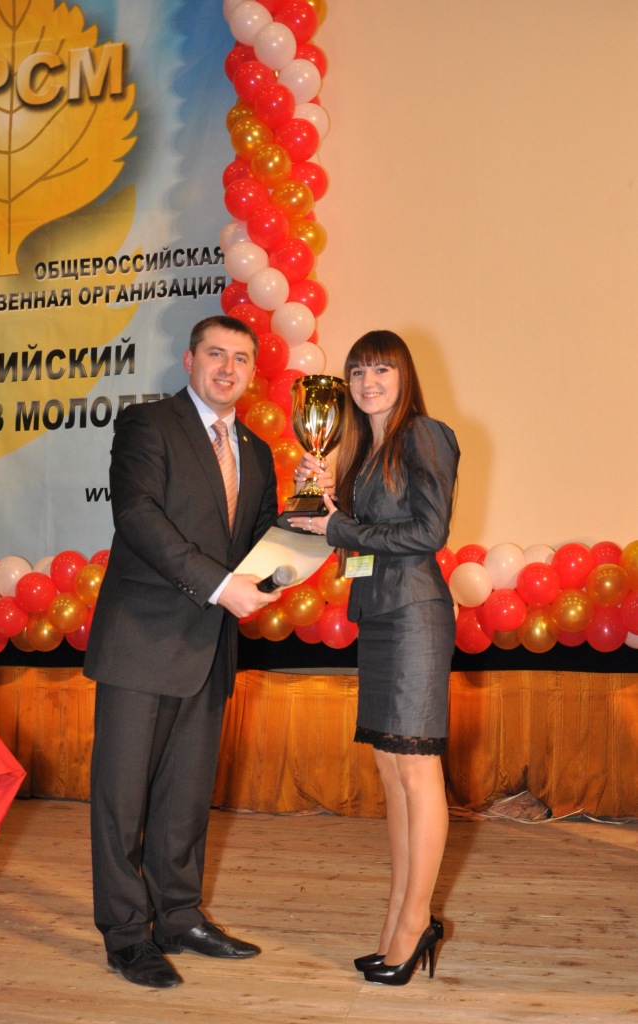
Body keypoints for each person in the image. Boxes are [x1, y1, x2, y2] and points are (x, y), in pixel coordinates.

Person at [84, 315, 282, 989]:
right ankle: (124, 935)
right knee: (122, 799)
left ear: (253, 372)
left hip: (210, 646)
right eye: (216, 354)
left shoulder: (256, 451)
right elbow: (138, 516)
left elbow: (261, 543)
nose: (228, 368)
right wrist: (222, 586)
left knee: (186, 798)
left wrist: (310, 516)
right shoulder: (148, 425)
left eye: (241, 358)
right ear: (190, 360)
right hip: (141, 639)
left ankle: (178, 917)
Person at [289, 329, 459, 987]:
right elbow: (359, 544)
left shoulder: (425, 435)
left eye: (381, 369)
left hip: (416, 613)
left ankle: (415, 924)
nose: (368, 382)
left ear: (404, 375)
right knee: (390, 768)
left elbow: (429, 531)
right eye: (358, 371)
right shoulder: (362, 452)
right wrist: (319, 506)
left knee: (416, 767)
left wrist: (337, 524)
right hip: (379, 612)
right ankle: (396, 918)